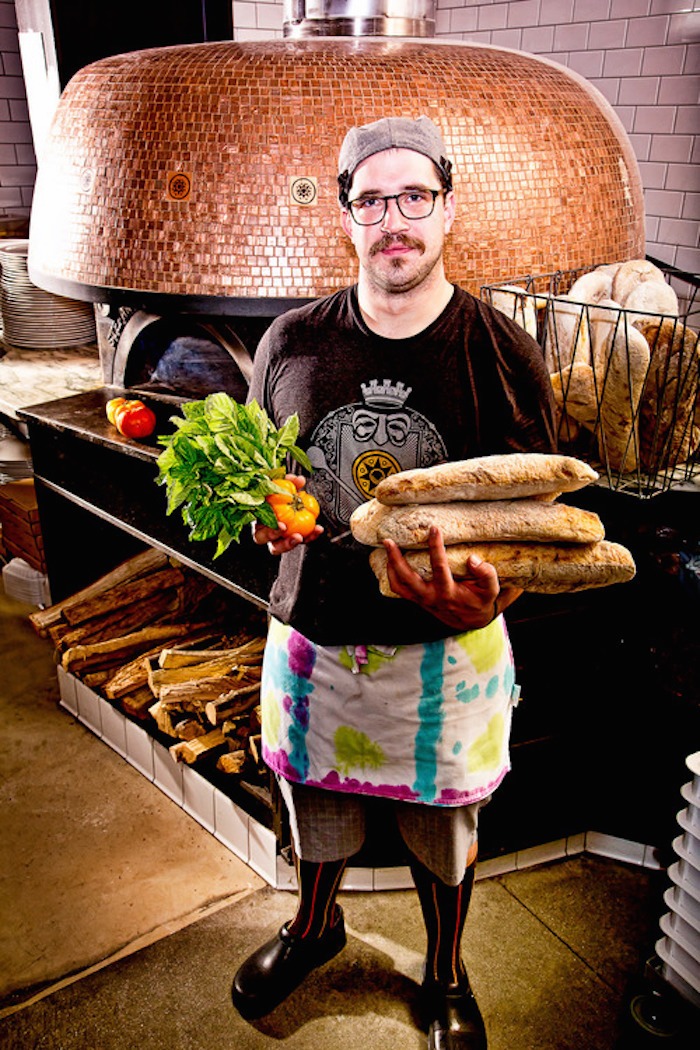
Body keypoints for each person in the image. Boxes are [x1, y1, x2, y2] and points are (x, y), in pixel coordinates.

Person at [231, 115, 556, 1049]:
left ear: (449, 210)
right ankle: (315, 925)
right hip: (316, 636)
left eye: (415, 196)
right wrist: (262, 520)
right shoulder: (290, 342)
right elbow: (267, 491)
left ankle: (446, 971)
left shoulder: (502, 353)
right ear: (347, 218)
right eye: (371, 200)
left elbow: (536, 533)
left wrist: (495, 599)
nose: (394, 219)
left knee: (442, 828)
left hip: (447, 650)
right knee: (318, 805)